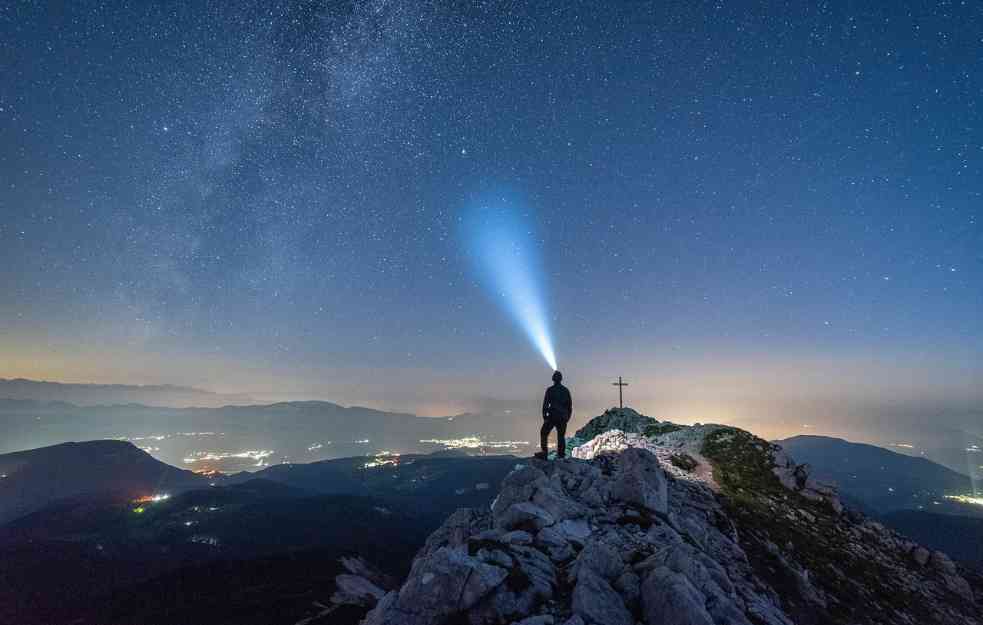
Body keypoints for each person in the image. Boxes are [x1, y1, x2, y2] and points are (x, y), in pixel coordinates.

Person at [535, 370, 572, 460]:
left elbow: (545, 404)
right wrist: (567, 417)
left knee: (544, 433)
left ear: (553, 379)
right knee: (561, 436)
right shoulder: (565, 390)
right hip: (563, 417)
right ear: (561, 379)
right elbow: (569, 406)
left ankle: (544, 453)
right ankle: (561, 455)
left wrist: (545, 416)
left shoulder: (550, 390)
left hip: (552, 416)